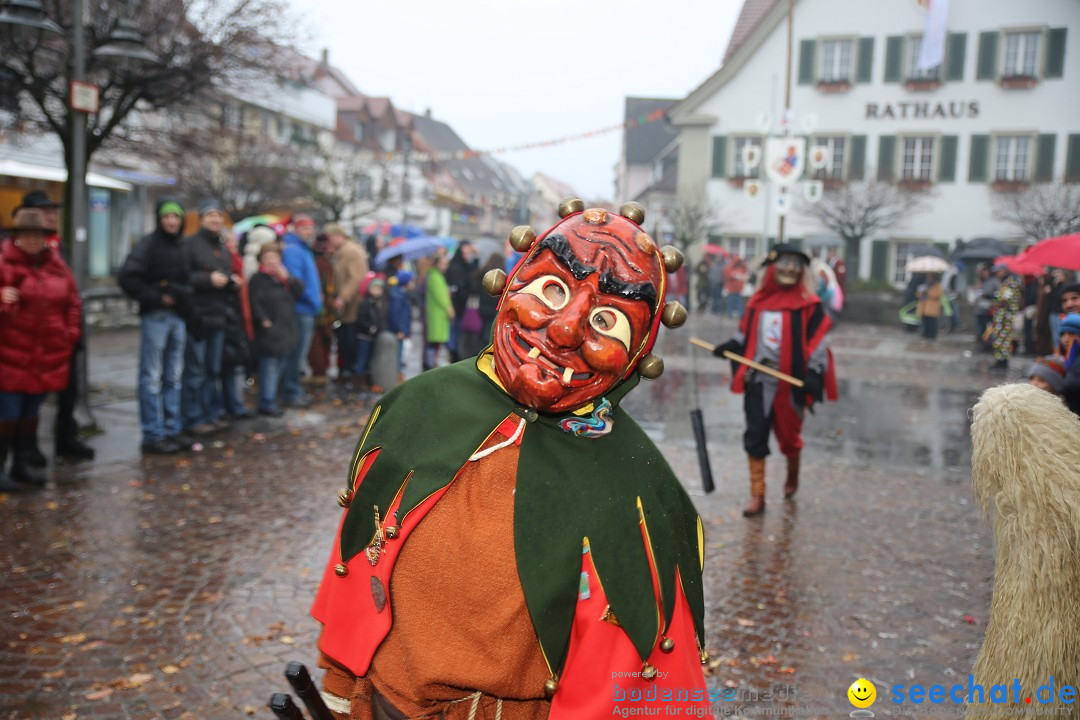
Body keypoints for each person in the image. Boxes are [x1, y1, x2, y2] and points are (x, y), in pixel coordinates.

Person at [310, 202, 709, 719]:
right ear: (512, 283)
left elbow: (632, 679)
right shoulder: (422, 407)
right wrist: (342, 687)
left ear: (638, 353)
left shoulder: (634, 486)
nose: (565, 330)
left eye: (606, 320)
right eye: (553, 290)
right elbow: (361, 553)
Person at [712, 245, 838, 517]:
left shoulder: (809, 307)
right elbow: (745, 336)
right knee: (755, 434)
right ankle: (757, 495)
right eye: (785, 262)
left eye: (796, 264)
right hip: (758, 379)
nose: (790, 268)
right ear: (772, 268)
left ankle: (792, 477)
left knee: (790, 438)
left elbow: (817, 344)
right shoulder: (756, 304)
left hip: (790, 383)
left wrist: (815, 374)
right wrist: (731, 345)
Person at [0, 208, 81, 491]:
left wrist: (69, 335)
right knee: (8, 414)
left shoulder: (56, 265)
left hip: (47, 356)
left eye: (37, 235)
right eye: (26, 235)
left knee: (31, 414)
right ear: (17, 237)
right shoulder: (3, 263)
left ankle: (22, 464)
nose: (32, 240)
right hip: (10, 356)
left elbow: (73, 302)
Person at [14, 190, 96, 463]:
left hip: (58, 337)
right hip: (26, 340)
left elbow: (71, 297)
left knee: (65, 392)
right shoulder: (14, 253)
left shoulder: (58, 249)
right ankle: (24, 452)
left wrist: (71, 333)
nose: (50, 215)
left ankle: (63, 439)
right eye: (43, 210)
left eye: (51, 211)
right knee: (23, 401)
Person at [117, 199, 193, 455]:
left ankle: (172, 428)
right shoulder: (149, 244)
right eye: (167, 217)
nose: (171, 221)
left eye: (175, 217)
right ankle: (153, 433)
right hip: (156, 316)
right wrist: (157, 297)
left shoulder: (182, 245)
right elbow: (128, 277)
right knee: (151, 377)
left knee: (173, 376)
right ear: (160, 219)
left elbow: (189, 278)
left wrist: (181, 295)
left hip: (177, 317)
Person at [180, 199, 240, 435]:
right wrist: (208, 280)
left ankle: (210, 414)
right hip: (198, 317)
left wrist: (230, 281)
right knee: (195, 371)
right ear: (202, 219)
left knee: (212, 370)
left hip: (219, 315)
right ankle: (193, 418)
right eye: (210, 215)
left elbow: (223, 273)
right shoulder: (191, 245)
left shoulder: (222, 246)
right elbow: (184, 276)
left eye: (218, 216)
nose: (215, 219)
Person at [248, 242, 305, 417]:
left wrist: (287, 277)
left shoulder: (282, 278)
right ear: (261, 261)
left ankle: (271, 399)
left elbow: (299, 291)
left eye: (275, 257)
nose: (272, 261)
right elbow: (254, 302)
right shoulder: (258, 279)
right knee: (269, 367)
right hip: (270, 332)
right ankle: (267, 402)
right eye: (268, 258)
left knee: (279, 366)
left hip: (285, 329)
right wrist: (263, 320)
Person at [281, 214, 323, 407]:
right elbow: (297, 282)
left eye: (311, 228)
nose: (309, 232)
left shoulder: (303, 249)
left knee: (299, 354)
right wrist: (313, 299)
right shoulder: (294, 251)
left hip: (307, 308)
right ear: (296, 229)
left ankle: (294, 390)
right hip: (301, 309)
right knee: (296, 354)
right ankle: (291, 392)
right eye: (305, 228)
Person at [326, 224, 369, 380]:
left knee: (350, 337)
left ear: (339, 236)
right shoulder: (341, 252)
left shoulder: (351, 251)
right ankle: (348, 368)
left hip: (352, 304)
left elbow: (356, 277)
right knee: (344, 336)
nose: (328, 242)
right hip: (346, 304)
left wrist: (342, 297)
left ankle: (352, 369)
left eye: (330, 238)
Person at [444, 240, 477, 362]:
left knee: (456, 331)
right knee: (455, 331)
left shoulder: (462, 265)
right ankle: (454, 353)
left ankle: (454, 352)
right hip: (457, 305)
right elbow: (460, 285)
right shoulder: (457, 267)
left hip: (459, 305)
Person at [355, 277, 387, 390]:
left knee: (370, 359)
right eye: (375, 288)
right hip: (364, 335)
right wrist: (370, 328)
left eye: (379, 288)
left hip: (374, 336)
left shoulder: (381, 303)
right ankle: (359, 381)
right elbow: (361, 319)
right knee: (362, 358)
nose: (377, 291)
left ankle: (368, 381)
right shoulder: (366, 303)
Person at [424, 253, 453, 371]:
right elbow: (441, 296)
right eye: (442, 264)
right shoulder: (436, 277)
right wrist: (449, 308)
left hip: (437, 314)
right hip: (438, 314)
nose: (445, 266)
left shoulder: (435, 276)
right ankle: (431, 363)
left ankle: (432, 362)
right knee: (435, 341)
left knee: (436, 341)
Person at [386, 270, 414, 382]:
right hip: (399, 331)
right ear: (406, 282)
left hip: (402, 331)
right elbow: (395, 314)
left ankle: (399, 375)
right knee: (397, 354)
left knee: (400, 354)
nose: (413, 284)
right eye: (412, 281)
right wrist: (399, 330)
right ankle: (396, 377)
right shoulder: (398, 296)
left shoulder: (403, 294)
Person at [990, 265, 1020, 370]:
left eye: (998, 271)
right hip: (1002, 316)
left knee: (1003, 340)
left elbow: (1004, 299)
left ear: (1003, 271)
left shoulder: (1010, 283)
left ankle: (1002, 362)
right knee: (1001, 339)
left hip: (1005, 317)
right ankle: (1000, 360)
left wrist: (997, 302)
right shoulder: (1006, 282)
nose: (997, 274)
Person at [917, 273, 943, 340]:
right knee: (925, 322)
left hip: (932, 307)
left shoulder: (937, 286)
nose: (928, 278)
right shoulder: (925, 285)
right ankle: (926, 334)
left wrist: (928, 292)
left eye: (930, 277)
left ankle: (932, 335)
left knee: (932, 322)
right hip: (924, 307)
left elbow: (938, 295)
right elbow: (919, 295)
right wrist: (921, 292)